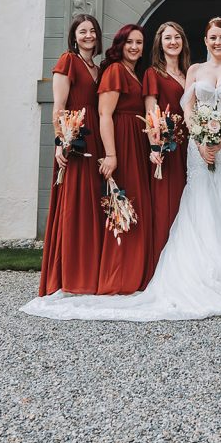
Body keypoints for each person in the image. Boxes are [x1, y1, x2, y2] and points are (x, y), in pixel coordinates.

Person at [21, 16, 221, 321]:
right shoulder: (193, 70)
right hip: (196, 145)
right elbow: (188, 107)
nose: (217, 42)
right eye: (213, 37)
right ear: (205, 41)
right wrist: (200, 138)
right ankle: (196, 272)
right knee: (198, 202)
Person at [38, 14, 104, 296]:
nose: (88, 35)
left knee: (92, 202)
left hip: (96, 138)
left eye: (92, 31)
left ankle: (91, 270)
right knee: (74, 203)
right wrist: (60, 142)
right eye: (82, 31)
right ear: (74, 36)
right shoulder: (68, 61)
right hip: (75, 140)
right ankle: (69, 274)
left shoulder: (98, 68)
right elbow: (59, 107)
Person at [95, 24, 153, 294]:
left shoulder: (133, 72)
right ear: (120, 44)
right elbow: (104, 114)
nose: (134, 47)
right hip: (122, 144)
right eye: (129, 42)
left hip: (136, 145)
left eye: (139, 42)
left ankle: (135, 273)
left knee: (135, 207)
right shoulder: (115, 71)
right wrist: (111, 154)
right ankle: (119, 278)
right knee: (124, 207)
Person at [143, 21, 190, 271]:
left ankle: (186, 265)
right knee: (167, 205)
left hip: (190, 147)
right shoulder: (153, 74)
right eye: (168, 38)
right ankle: (162, 269)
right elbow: (151, 113)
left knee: (189, 204)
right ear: (160, 44)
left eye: (177, 37)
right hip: (167, 148)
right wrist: (155, 147)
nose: (173, 42)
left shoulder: (189, 73)